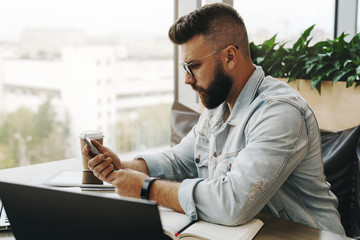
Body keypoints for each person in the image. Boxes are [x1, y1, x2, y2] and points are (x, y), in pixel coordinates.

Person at [83, 3, 345, 235]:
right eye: (184, 68)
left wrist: (147, 188)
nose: (187, 79)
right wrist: (127, 167)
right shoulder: (217, 108)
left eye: (193, 66)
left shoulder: (281, 112)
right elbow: (181, 159)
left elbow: (233, 203)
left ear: (230, 56)